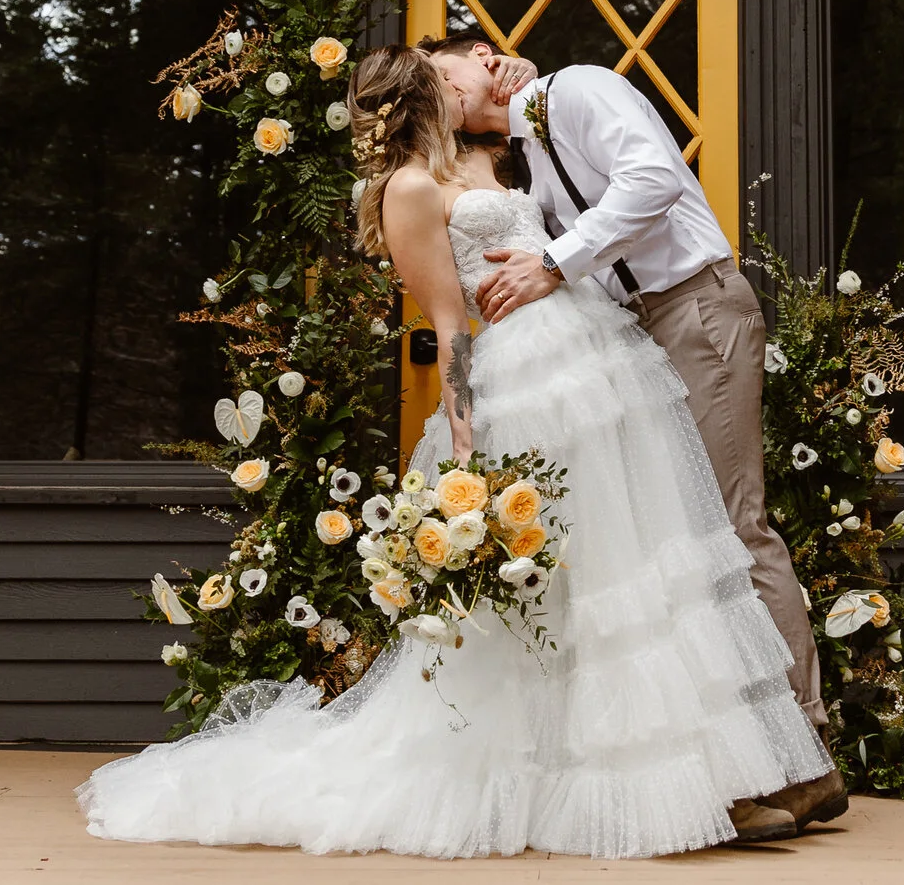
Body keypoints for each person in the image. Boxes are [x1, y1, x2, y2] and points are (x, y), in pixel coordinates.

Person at [77, 45, 832, 858]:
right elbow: (449, 325)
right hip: (529, 386)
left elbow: (566, 174)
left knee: (638, 565)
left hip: (600, 363)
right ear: (419, 96)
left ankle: (718, 774)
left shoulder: (492, 153)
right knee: (580, 584)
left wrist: (517, 78)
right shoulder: (407, 187)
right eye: (440, 74)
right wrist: (464, 438)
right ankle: (657, 787)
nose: (460, 77)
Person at [424, 36, 845, 833]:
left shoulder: (580, 90)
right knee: (683, 536)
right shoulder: (526, 155)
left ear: (486, 55)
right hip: (641, 331)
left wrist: (554, 261)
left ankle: (803, 750)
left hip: (694, 307)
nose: (447, 92)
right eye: (434, 89)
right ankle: (747, 757)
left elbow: (652, 179)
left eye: (449, 73)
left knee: (733, 526)